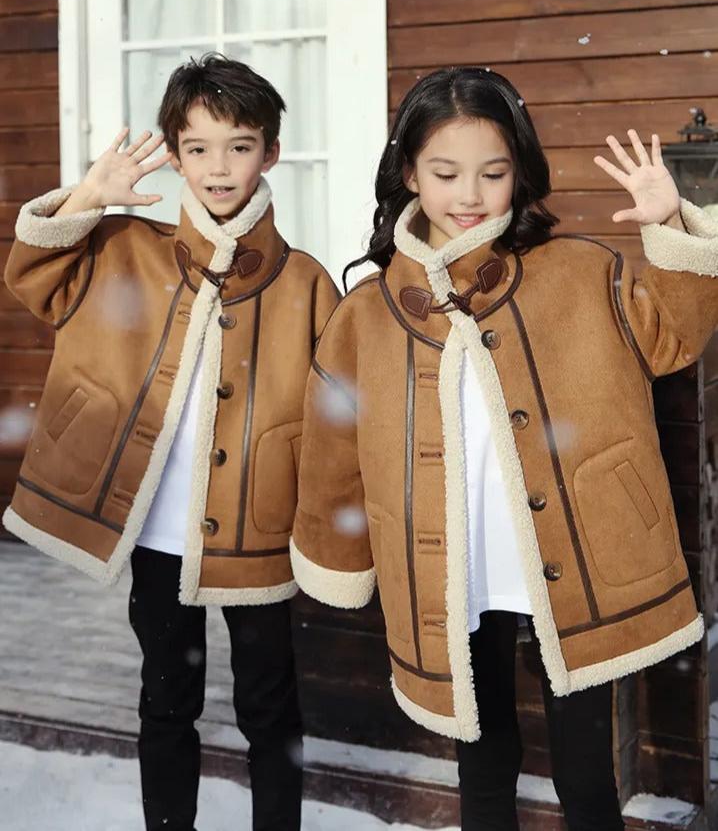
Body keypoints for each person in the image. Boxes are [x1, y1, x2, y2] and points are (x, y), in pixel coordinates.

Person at [289, 66, 718, 830]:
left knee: (587, 780)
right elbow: (333, 445)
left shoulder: (580, 272)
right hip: (454, 569)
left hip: (579, 562)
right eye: (445, 172)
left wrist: (672, 227)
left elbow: (674, 339)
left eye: (493, 172)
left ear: (519, 171)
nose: (469, 195)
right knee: (483, 771)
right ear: (409, 174)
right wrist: (333, 552)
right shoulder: (370, 311)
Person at [3, 52, 339, 831]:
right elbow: (33, 279)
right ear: (175, 152)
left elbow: (335, 419)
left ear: (271, 153)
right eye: (198, 148)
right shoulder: (124, 248)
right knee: (166, 699)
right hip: (156, 530)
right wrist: (89, 196)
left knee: (268, 705)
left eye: (239, 146)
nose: (219, 168)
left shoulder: (306, 282)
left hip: (259, 528)